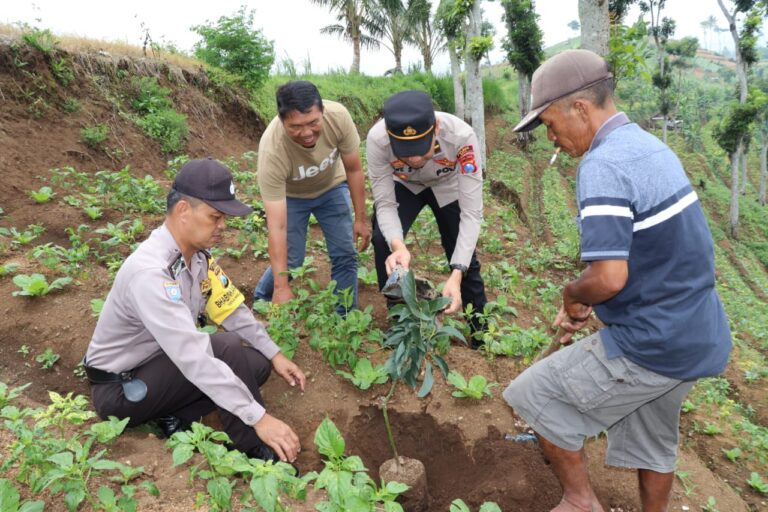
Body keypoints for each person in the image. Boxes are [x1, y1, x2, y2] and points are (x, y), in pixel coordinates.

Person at [502, 49, 732, 512]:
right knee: (652, 439)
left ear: (580, 109)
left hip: (654, 343)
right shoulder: (647, 145)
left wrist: (574, 295)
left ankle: (580, 501)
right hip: (697, 333)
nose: (552, 138)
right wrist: (597, 305)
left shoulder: (603, 164)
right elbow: (647, 261)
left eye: (549, 123)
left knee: (532, 395)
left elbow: (608, 277)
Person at [84, 158, 306, 464]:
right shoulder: (150, 272)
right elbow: (192, 355)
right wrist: (259, 418)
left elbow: (230, 310)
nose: (222, 226)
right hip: (123, 388)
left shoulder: (197, 257)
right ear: (183, 211)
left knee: (256, 364)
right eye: (215, 217)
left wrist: (275, 353)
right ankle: (252, 449)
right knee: (226, 349)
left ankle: (174, 418)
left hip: (160, 365)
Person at [366, 90, 487, 342]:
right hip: (406, 184)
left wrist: (456, 272)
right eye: (405, 151)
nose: (415, 158)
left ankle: (479, 330)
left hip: (448, 183)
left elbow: (471, 213)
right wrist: (398, 245)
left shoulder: (461, 137)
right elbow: (386, 204)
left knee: (463, 254)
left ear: (437, 127)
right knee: (382, 240)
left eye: (421, 149)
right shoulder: (377, 140)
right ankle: (399, 317)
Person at [254, 80, 370, 312]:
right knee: (292, 261)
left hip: (332, 188)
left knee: (345, 254)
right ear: (281, 119)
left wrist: (361, 218)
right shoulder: (272, 149)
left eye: (313, 123)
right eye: (295, 126)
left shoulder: (338, 117)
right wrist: (281, 287)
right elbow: (276, 227)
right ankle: (264, 298)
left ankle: (344, 317)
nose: (306, 133)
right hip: (291, 197)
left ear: (322, 112)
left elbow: (354, 169)